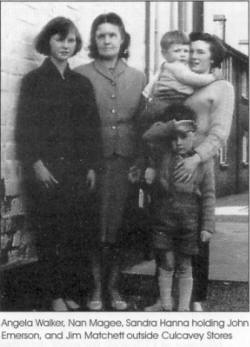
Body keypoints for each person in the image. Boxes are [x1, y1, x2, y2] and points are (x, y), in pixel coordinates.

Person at [15, 17, 102, 311]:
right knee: (49, 233)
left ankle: (69, 291)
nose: (66, 45)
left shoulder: (82, 83)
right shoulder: (34, 81)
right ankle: (53, 295)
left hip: (77, 170)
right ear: (47, 42)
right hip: (47, 170)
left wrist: (92, 166)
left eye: (71, 40)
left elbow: (91, 128)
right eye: (59, 39)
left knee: (73, 233)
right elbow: (24, 127)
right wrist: (36, 163)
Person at [145, 32, 235, 311]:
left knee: (194, 233)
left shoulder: (222, 87)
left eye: (200, 52)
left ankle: (196, 297)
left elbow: (220, 133)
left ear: (213, 59)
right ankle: (163, 298)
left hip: (198, 163)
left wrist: (196, 158)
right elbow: (159, 118)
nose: (193, 56)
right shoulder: (182, 81)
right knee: (164, 229)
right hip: (169, 160)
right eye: (191, 51)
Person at [75, 12, 145, 311]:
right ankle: (93, 289)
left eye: (112, 35)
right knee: (93, 225)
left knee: (120, 228)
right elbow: (73, 124)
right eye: (101, 35)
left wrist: (141, 162)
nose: (106, 40)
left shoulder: (139, 76)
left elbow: (144, 125)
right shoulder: (81, 74)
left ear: (122, 39)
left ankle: (114, 288)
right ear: (94, 40)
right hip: (93, 163)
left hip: (126, 164)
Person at [142, 103, 215, 311]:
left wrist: (207, 226)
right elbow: (148, 136)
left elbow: (209, 195)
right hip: (164, 218)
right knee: (166, 261)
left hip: (189, 221)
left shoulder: (203, 161)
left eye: (184, 137)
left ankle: (183, 309)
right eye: (173, 138)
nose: (178, 143)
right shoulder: (163, 153)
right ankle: (165, 304)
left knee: (185, 264)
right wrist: (170, 127)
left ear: (195, 134)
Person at [142, 30, 220, 123]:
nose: (182, 54)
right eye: (177, 51)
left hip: (162, 100)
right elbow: (193, 79)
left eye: (186, 51)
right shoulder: (177, 67)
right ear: (165, 54)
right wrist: (213, 77)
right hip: (170, 99)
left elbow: (152, 84)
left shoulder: (166, 66)